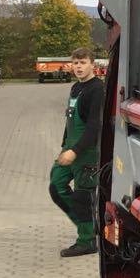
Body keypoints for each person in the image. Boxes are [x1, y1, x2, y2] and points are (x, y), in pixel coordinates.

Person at [49, 47, 104, 257]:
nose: (79, 67)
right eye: (75, 63)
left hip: (86, 153)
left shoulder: (97, 89)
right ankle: (89, 227)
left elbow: (94, 126)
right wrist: (65, 146)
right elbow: (70, 120)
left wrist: (75, 151)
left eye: (83, 62)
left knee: (83, 197)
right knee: (56, 186)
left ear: (92, 65)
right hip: (70, 149)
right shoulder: (75, 88)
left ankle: (87, 239)